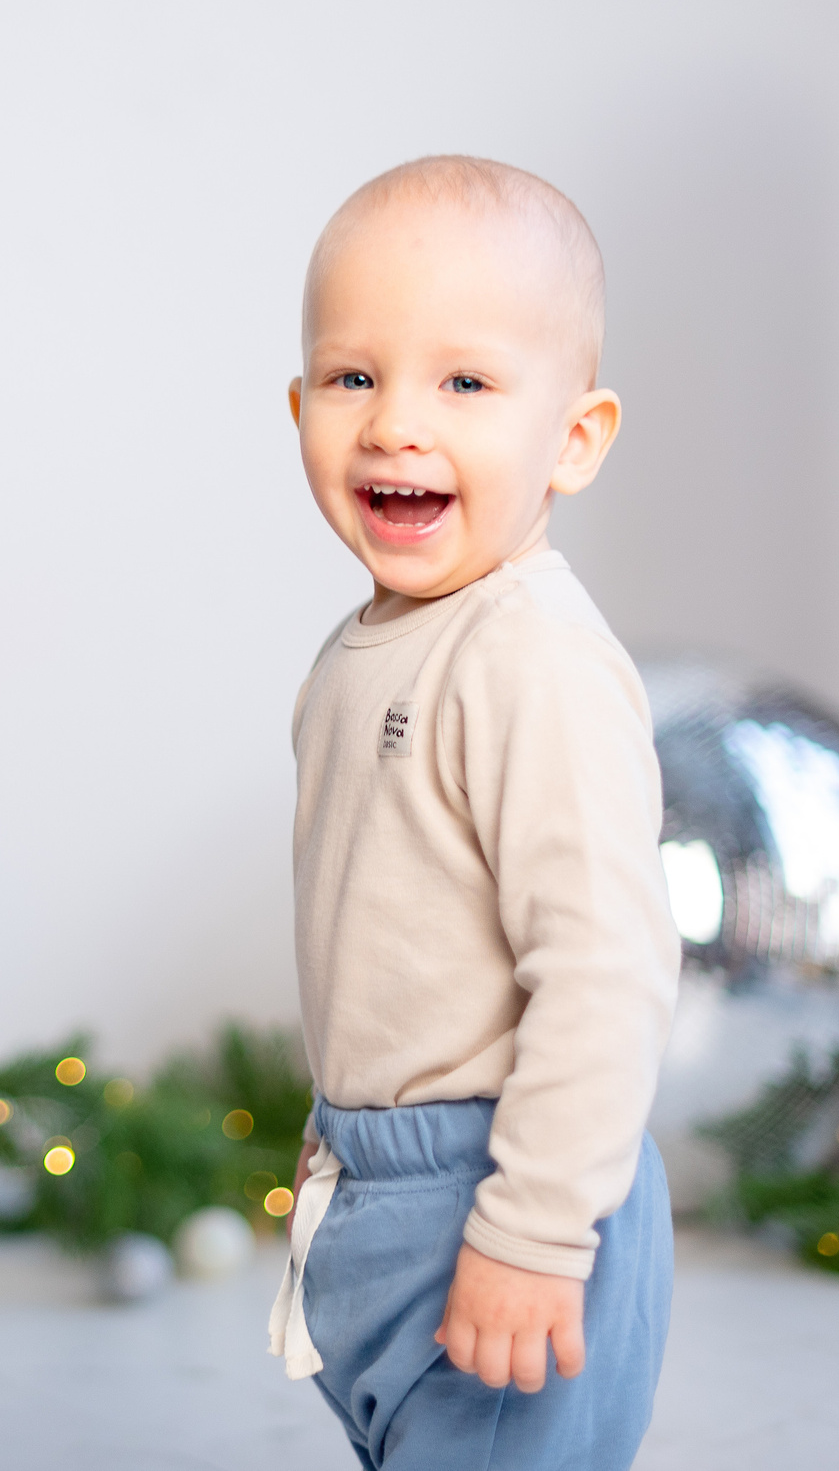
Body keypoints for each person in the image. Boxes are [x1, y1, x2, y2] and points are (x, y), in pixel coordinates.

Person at [265, 156, 680, 1470]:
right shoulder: (359, 649)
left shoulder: (530, 658)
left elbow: (607, 968)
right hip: (378, 1182)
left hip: (503, 1183)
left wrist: (533, 1231)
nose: (394, 423)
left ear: (574, 437)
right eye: (353, 377)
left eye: (464, 382)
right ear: (298, 408)